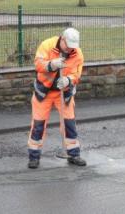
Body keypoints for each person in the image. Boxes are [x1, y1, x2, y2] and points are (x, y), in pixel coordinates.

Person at [27, 27, 87, 169]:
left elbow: (76, 74)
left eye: (73, 47)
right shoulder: (47, 45)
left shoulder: (77, 53)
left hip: (64, 93)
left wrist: (68, 80)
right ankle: (34, 157)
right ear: (62, 39)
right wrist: (51, 65)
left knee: (69, 123)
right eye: (68, 46)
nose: (69, 49)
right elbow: (37, 64)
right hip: (44, 92)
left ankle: (73, 154)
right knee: (38, 124)